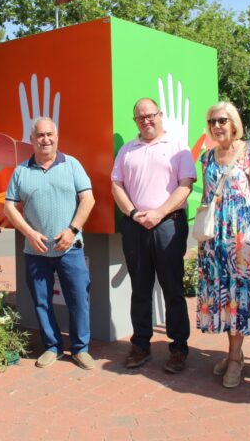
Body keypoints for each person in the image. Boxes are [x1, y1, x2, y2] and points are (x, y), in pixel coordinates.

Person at [4, 117, 96, 370]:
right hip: (36, 250)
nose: (45, 139)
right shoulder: (21, 170)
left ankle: (80, 348)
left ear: (56, 136)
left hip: (70, 247)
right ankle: (52, 346)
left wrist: (72, 230)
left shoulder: (72, 165)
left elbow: (88, 200)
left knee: (78, 298)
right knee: (41, 301)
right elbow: (9, 206)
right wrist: (29, 233)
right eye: (40, 135)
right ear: (32, 139)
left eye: (49, 134)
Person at [111, 98, 196, 372]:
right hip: (135, 226)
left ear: (160, 115)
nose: (146, 120)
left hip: (168, 224)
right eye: (140, 117)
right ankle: (140, 346)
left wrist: (159, 213)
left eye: (151, 115)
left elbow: (185, 186)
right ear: (135, 121)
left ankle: (179, 348)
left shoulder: (177, 147)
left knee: (173, 288)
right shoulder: (127, 150)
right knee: (140, 289)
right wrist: (135, 214)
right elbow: (117, 186)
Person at [196, 102, 250, 388]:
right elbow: (207, 197)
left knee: (239, 296)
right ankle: (233, 352)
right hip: (215, 241)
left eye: (222, 120)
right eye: (212, 121)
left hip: (241, 238)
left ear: (233, 122)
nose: (217, 126)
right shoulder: (207, 158)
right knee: (223, 296)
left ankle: (236, 359)